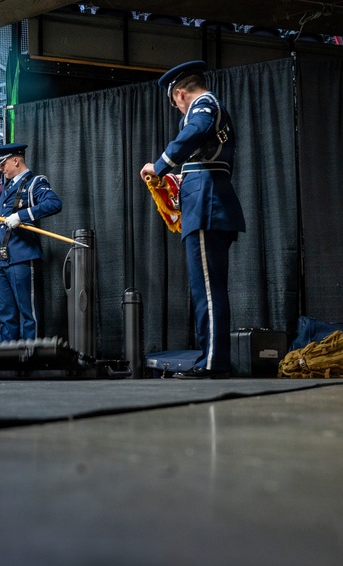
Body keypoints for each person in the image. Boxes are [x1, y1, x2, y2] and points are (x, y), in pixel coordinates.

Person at [140, 60, 246, 379]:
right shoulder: (209, 106)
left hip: (206, 204)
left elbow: (195, 132)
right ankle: (211, 358)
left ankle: (213, 362)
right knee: (206, 290)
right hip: (206, 200)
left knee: (208, 292)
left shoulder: (204, 104)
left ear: (181, 94)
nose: (178, 109)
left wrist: (159, 165)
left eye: (175, 103)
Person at [0, 142, 62, 341]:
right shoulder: (6, 189)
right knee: (6, 313)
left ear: (15, 160)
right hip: (1, 259)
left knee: (28, 312)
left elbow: (54, 203)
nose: (1, 168)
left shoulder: (34, 183)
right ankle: (7, 357)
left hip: (22, 255)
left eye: (3, 164)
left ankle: (30, 358)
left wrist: (22, 216)